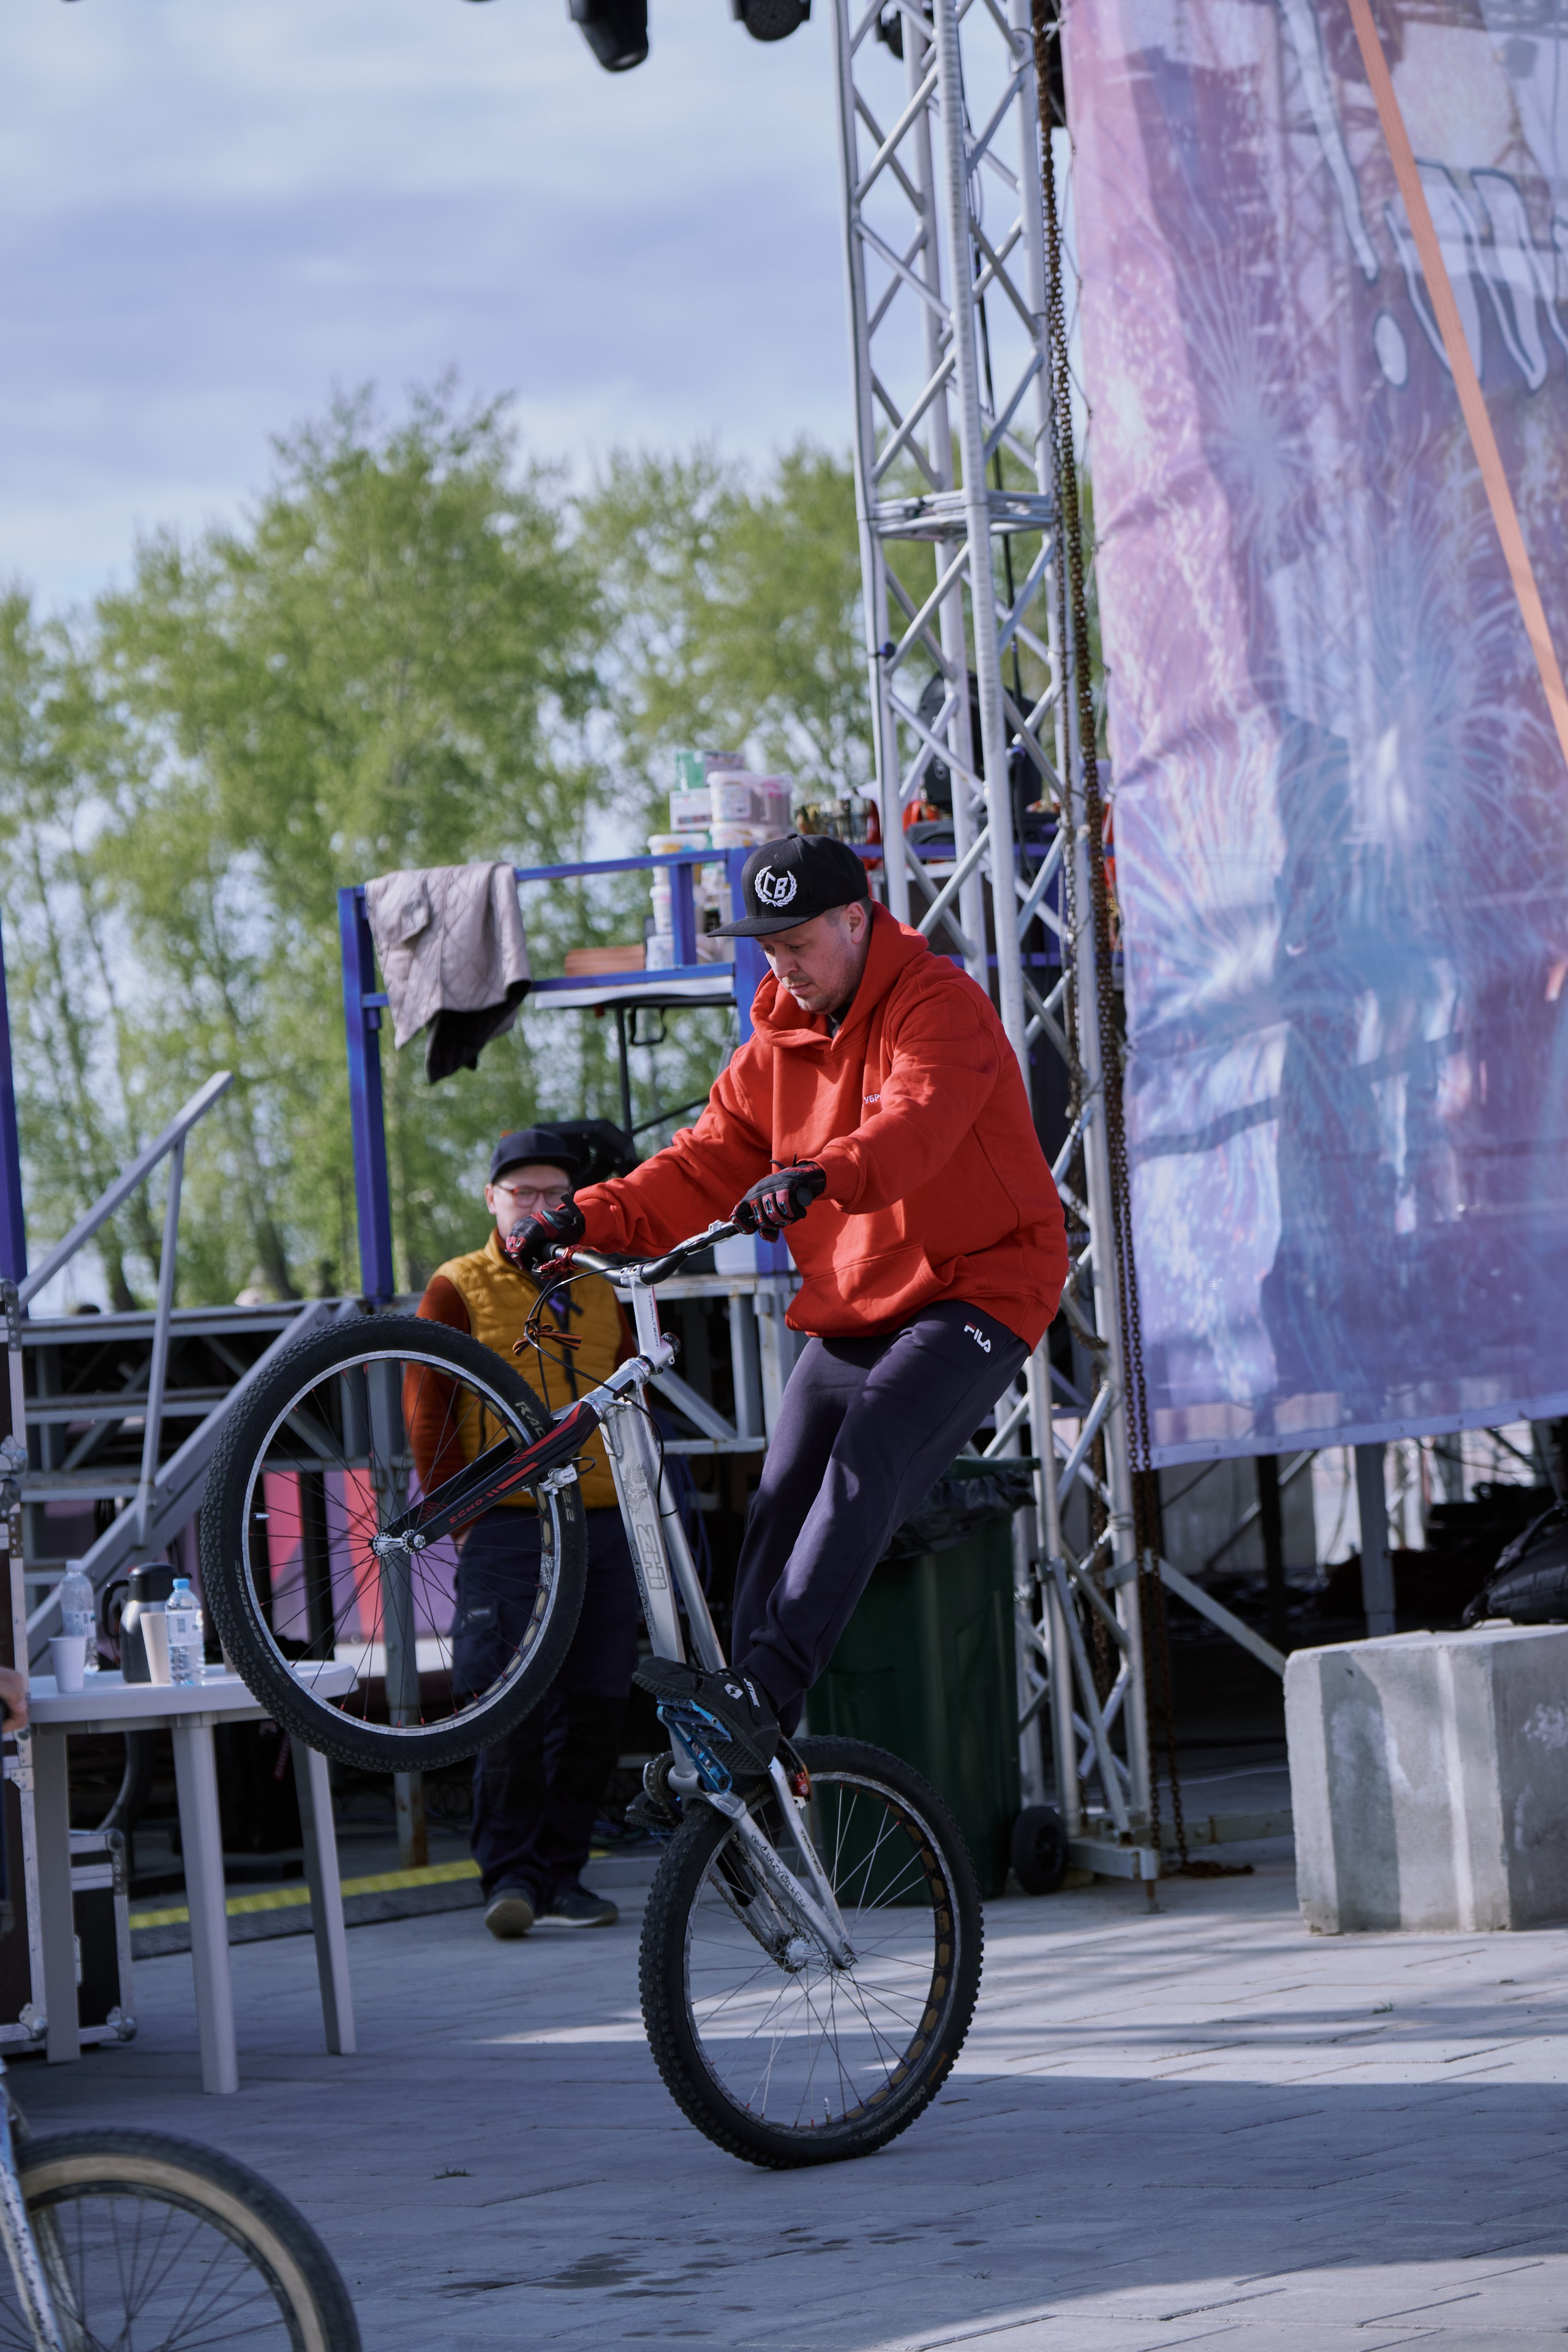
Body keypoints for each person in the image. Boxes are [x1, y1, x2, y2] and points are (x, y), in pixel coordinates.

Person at [517, 833, 1068, 1784]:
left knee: (875, 1449)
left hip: (981, 1282)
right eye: (768, 949)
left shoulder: (940, 1004)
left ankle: (761, 1690)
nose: (784, 966)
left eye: (800, 945)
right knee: (778, 1501)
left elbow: (917, 1121)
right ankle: (751, 1740)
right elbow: (699, 1164)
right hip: (860, 1297)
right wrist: (582, 1216)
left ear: (856, 921)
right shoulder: (771, 1042)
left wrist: (823, 1170)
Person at [412, 1128, 641, 1938]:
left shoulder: (603, 1280)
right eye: (525, 1195)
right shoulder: (456, 1285)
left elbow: (637, 1398)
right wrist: (460, 1520)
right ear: (492, 1200)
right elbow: (427, 1410)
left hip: (606, 1522)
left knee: (597, 1702)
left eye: (556, 1196)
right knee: (506, 1699)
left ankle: (565, 1873)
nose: (540, 1210)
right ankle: (510, 1875)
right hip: (507, 1524)